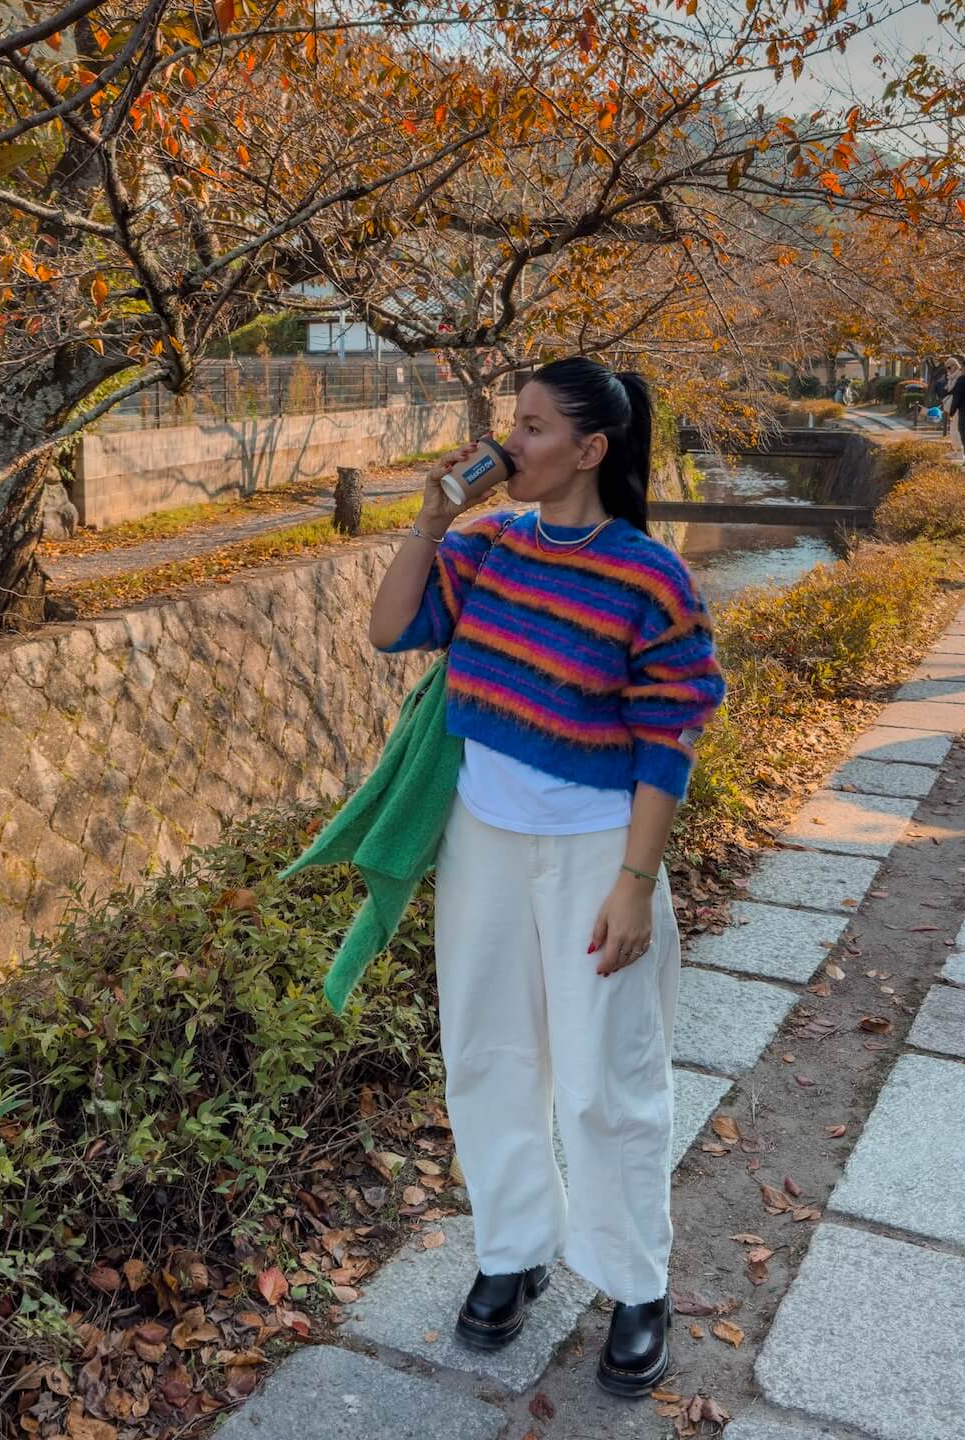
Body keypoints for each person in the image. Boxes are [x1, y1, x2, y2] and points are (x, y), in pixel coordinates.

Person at [368, 357, 726, 1398]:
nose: (509, 442)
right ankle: (512, 1248)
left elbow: (671, 734)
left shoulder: (650, 576)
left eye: (530, 427)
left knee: (608, 1074)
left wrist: (633, 881)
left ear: (591, 449)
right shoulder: (484, 545)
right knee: (486, 1051)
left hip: (592, 852)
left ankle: (634, 1282)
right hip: (481, 839)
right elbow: (391, 630)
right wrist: (431, 520)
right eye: (508, 423)